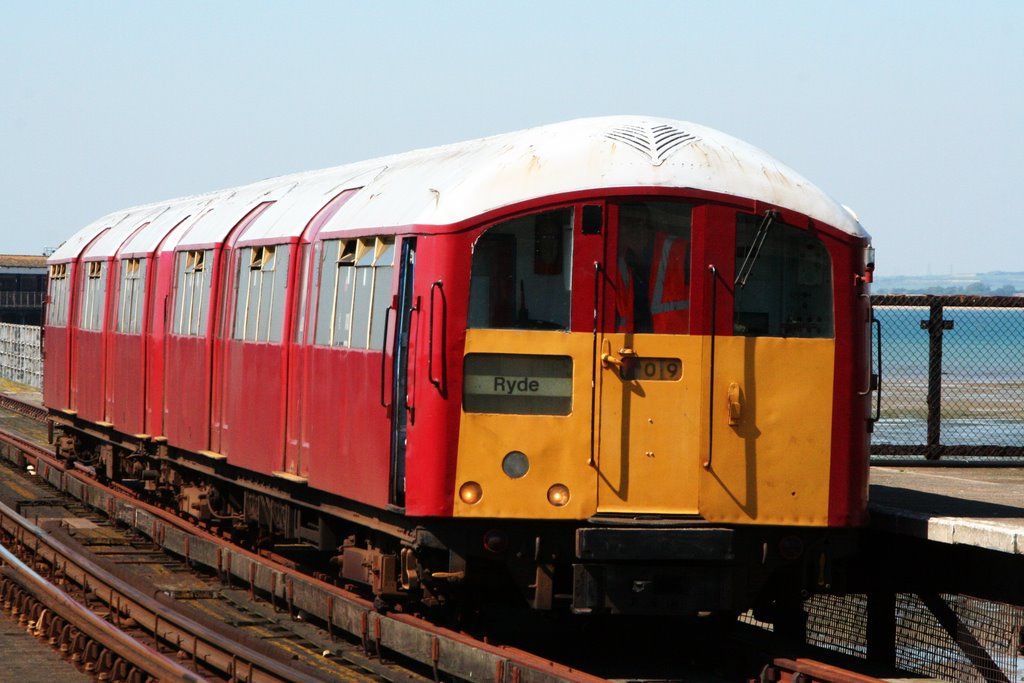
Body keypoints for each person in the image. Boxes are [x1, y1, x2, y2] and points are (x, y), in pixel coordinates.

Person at [616, 203, 690, 334]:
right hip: (630, 349)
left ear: (643, 223)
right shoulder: (620, 264)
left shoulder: (678, 251)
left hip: (677, 348)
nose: (623, 230)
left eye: (630, 223)